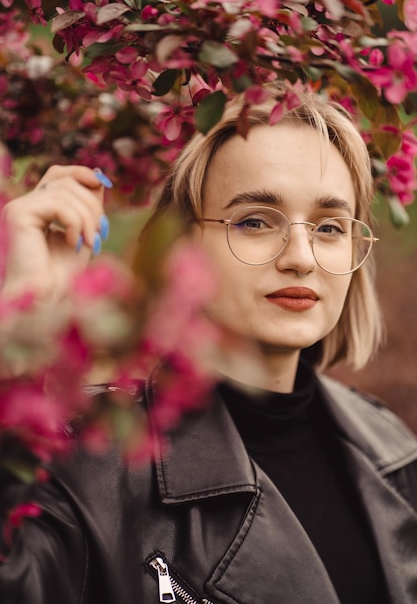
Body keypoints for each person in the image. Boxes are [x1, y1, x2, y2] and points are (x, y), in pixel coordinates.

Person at [1, 88, 417, 604]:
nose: (302, 258)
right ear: (180, 247)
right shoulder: (84, 458)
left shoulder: (396, 453)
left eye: (329, 227)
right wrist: (19, 323)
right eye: (255, 221)